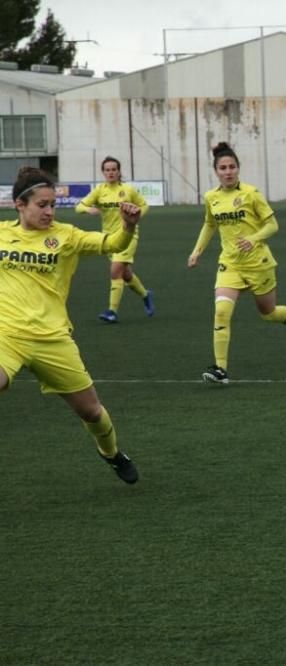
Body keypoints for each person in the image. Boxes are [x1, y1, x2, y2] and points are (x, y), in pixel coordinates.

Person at [0, 166, 141, 484]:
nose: (49, 211)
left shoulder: (67, 237)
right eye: (42, 205)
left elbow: (114, 244)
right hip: (6, 334)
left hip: (53, 339)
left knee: (91, 412)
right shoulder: (1, 235)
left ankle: (112, 454)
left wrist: (128, 227)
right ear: (20, 204)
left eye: (52, 204)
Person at [187, 142, 286, 384]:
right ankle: (220, 369)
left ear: (238, 169)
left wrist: (254, 238)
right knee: (222, 312)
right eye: (223, 168)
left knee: (268, 313)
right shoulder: (211, 197)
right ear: (216, 171)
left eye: (232, 167)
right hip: (230, 264)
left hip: (259, 263)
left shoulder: (251, 193)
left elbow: (273, 225)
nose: (228, 172)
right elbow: (210, 224)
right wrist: (197, 251)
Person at [75, 156, 153, 323]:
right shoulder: (99, 191)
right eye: (107, 170)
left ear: (119, 172)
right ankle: (146, 295)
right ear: (103, 172)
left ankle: (112, 311)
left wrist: (137, 216)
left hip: (129, 235)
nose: (111, 172)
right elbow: (78, 206)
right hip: (109, 238)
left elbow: (144, 205)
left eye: (114, 169)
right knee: (125, 274)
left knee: (115, 270)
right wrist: (89, 210)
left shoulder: (128, 190)